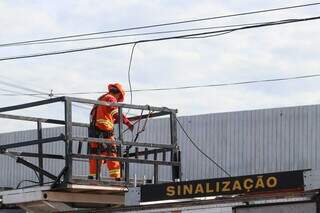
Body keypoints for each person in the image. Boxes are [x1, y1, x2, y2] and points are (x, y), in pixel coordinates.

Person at [88, 83, 133, 180]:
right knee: (112, 154)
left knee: (95, 154)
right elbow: (116, 114)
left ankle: (93, 177)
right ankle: (116, 179)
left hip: (94, 132)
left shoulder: (101, 99)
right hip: (105, 133)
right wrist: (128, 123)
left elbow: (106, 115)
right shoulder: (111, 99)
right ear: (118, 94)